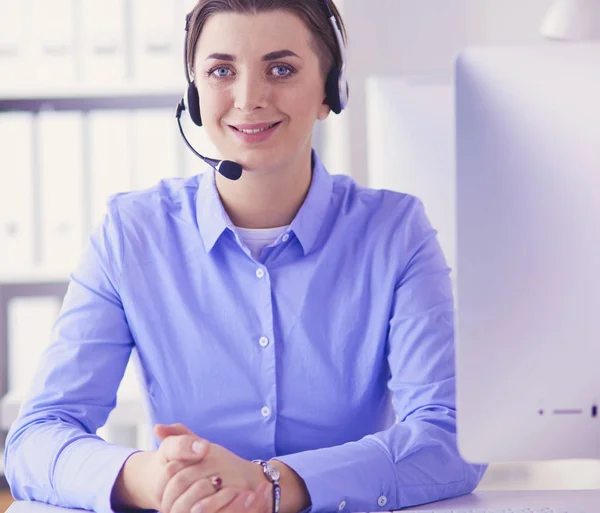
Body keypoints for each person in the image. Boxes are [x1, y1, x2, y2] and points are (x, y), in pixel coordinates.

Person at [4, 1, 487, 512]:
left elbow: (451, 437)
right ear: (194, 95)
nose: (249, 98)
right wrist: (147, 478)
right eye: (221, 71)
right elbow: (35, 439)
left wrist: (276, 484)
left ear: (330, 91)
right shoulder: (133, 234)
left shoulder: (394, 232)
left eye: (281, 69)